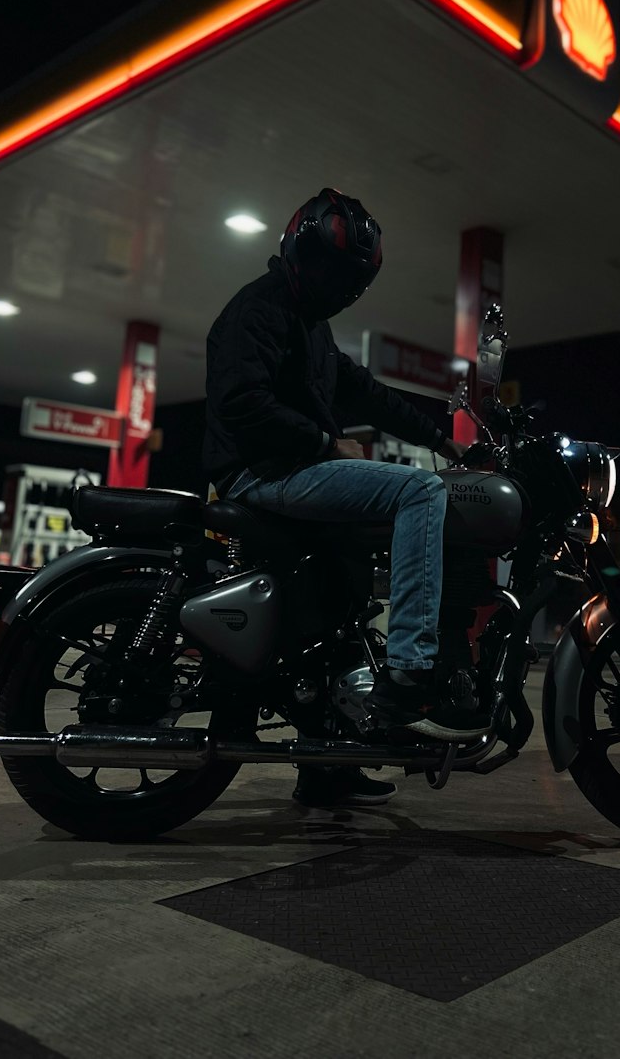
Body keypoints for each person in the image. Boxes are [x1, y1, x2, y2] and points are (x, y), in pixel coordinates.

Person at [203, 187, 490, 810]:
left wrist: (447, 439)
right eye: (328, 266)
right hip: (263, 473)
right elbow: (239, 402)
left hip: (286, 468)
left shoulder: (310, 325)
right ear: (297, 248)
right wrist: (324, 442)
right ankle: (411, 673)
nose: (336, 282)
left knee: (341, 600)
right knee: (418, 492)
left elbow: (364, 390)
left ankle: (328, 763)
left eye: (347, 276)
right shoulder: (260, 308)